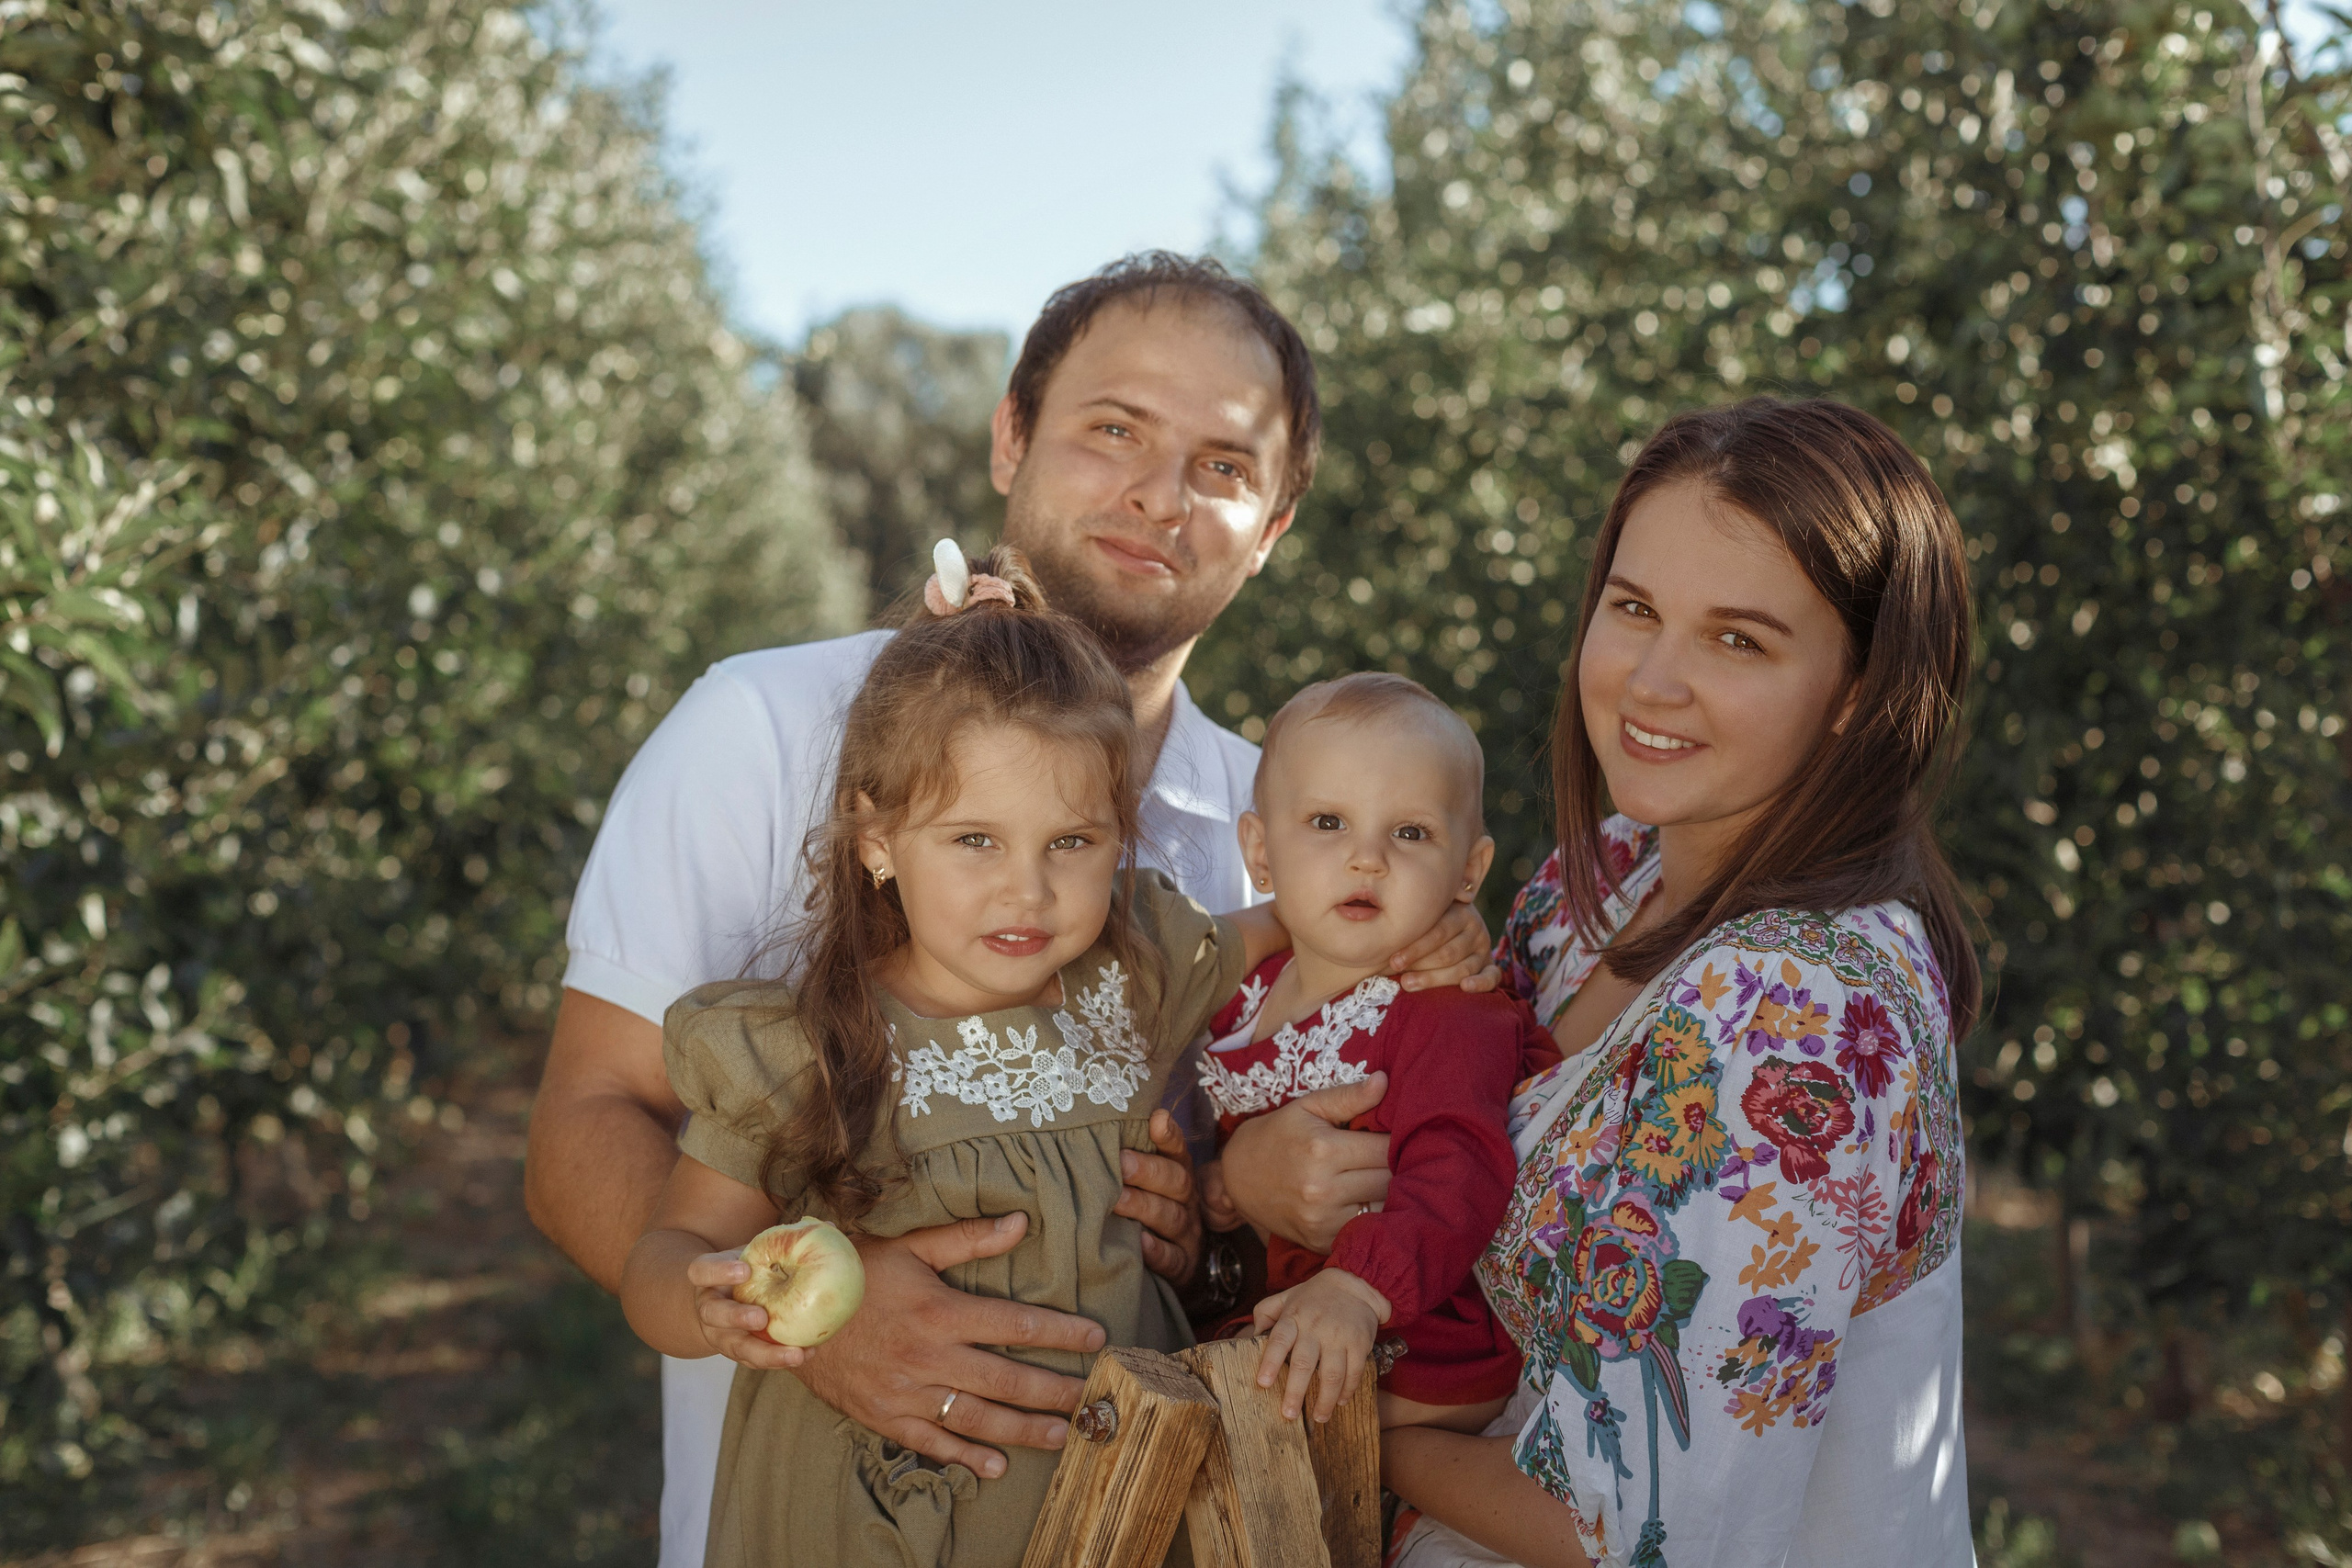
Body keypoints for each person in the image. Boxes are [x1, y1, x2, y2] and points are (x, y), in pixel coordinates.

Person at [524, 253, 1493, 1568]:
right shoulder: (758, 729)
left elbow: (1255, 1243)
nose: (1160, 492)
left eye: (1224, 464)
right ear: (1010, 437)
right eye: (1114, 429)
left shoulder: (1289, 843)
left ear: (1272, 527)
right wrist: (825, 1311)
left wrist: (1216, 1211)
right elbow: (588, 1117)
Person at [1363, 399, 1981, 1566]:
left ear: (1857, 690)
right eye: (1634, 609)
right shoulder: (1590, 884)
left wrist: (1347, 1420)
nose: (1651, 681)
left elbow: (1630, 1532)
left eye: (1737, 640)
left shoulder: (1806, 1013)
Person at [621, 547, 1306, 1568]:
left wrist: (1399, 922)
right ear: (877, 837)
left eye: (1071, 843)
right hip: (863, 1522)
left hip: (1118, 1513)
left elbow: (1289, 925)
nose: (1025, 892)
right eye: (974, 841)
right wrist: (720, 1299)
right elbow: (662, 1256)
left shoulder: (1137, 977)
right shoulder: (805, 1049)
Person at [1193, 673, 1558, 1432]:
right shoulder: (1245, 996)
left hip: (1405, 1345)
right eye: (1328, 821)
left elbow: (1462, 1166)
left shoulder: (1448, 1010)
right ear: (1260, 851)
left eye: (1411, 832)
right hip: (1281, 1324)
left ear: (1470, 871)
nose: (1367, 858)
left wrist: (1360, 1288)